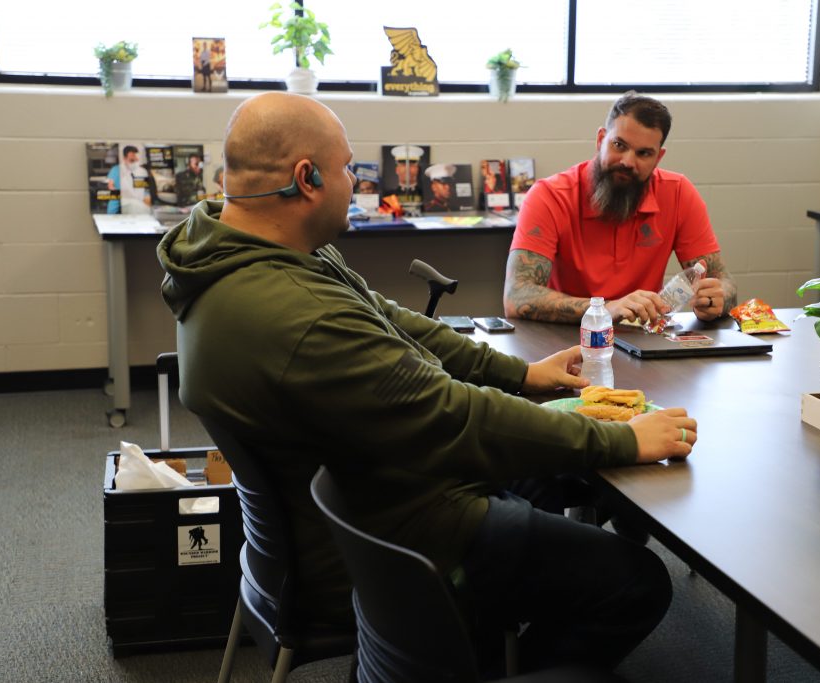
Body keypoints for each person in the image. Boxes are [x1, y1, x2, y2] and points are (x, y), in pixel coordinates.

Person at [157, 92, 697, 674]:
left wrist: (519, 373)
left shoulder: (244, 253)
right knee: (637, 581)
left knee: (548, 470)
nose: (356, 183)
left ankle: (491, 641)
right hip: (390, 545)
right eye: (348, 169)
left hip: (362, 492)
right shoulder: (297, 313)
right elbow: (453, 416)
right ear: (306, 178)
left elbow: (390, 316)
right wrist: (627, 440)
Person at [504, 92, 737, 325]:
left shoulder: (678, 193)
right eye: (619, 145)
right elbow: (517, 296)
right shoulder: (549, 196)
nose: (627, 161)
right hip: (565, 340)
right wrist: (606, 308)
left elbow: (725, 283)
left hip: (641, 341)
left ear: (658, 158)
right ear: (600, 140)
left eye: (643, 153)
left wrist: (716, 299)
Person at [106, 145, 151, 215]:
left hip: (137, 204)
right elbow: (110, 186)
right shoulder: (116, 170)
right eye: (132, 160)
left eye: (136, 160)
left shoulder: (141, 171)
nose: (135, 162)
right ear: (124, 159)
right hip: (119, 205)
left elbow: (142, 190)